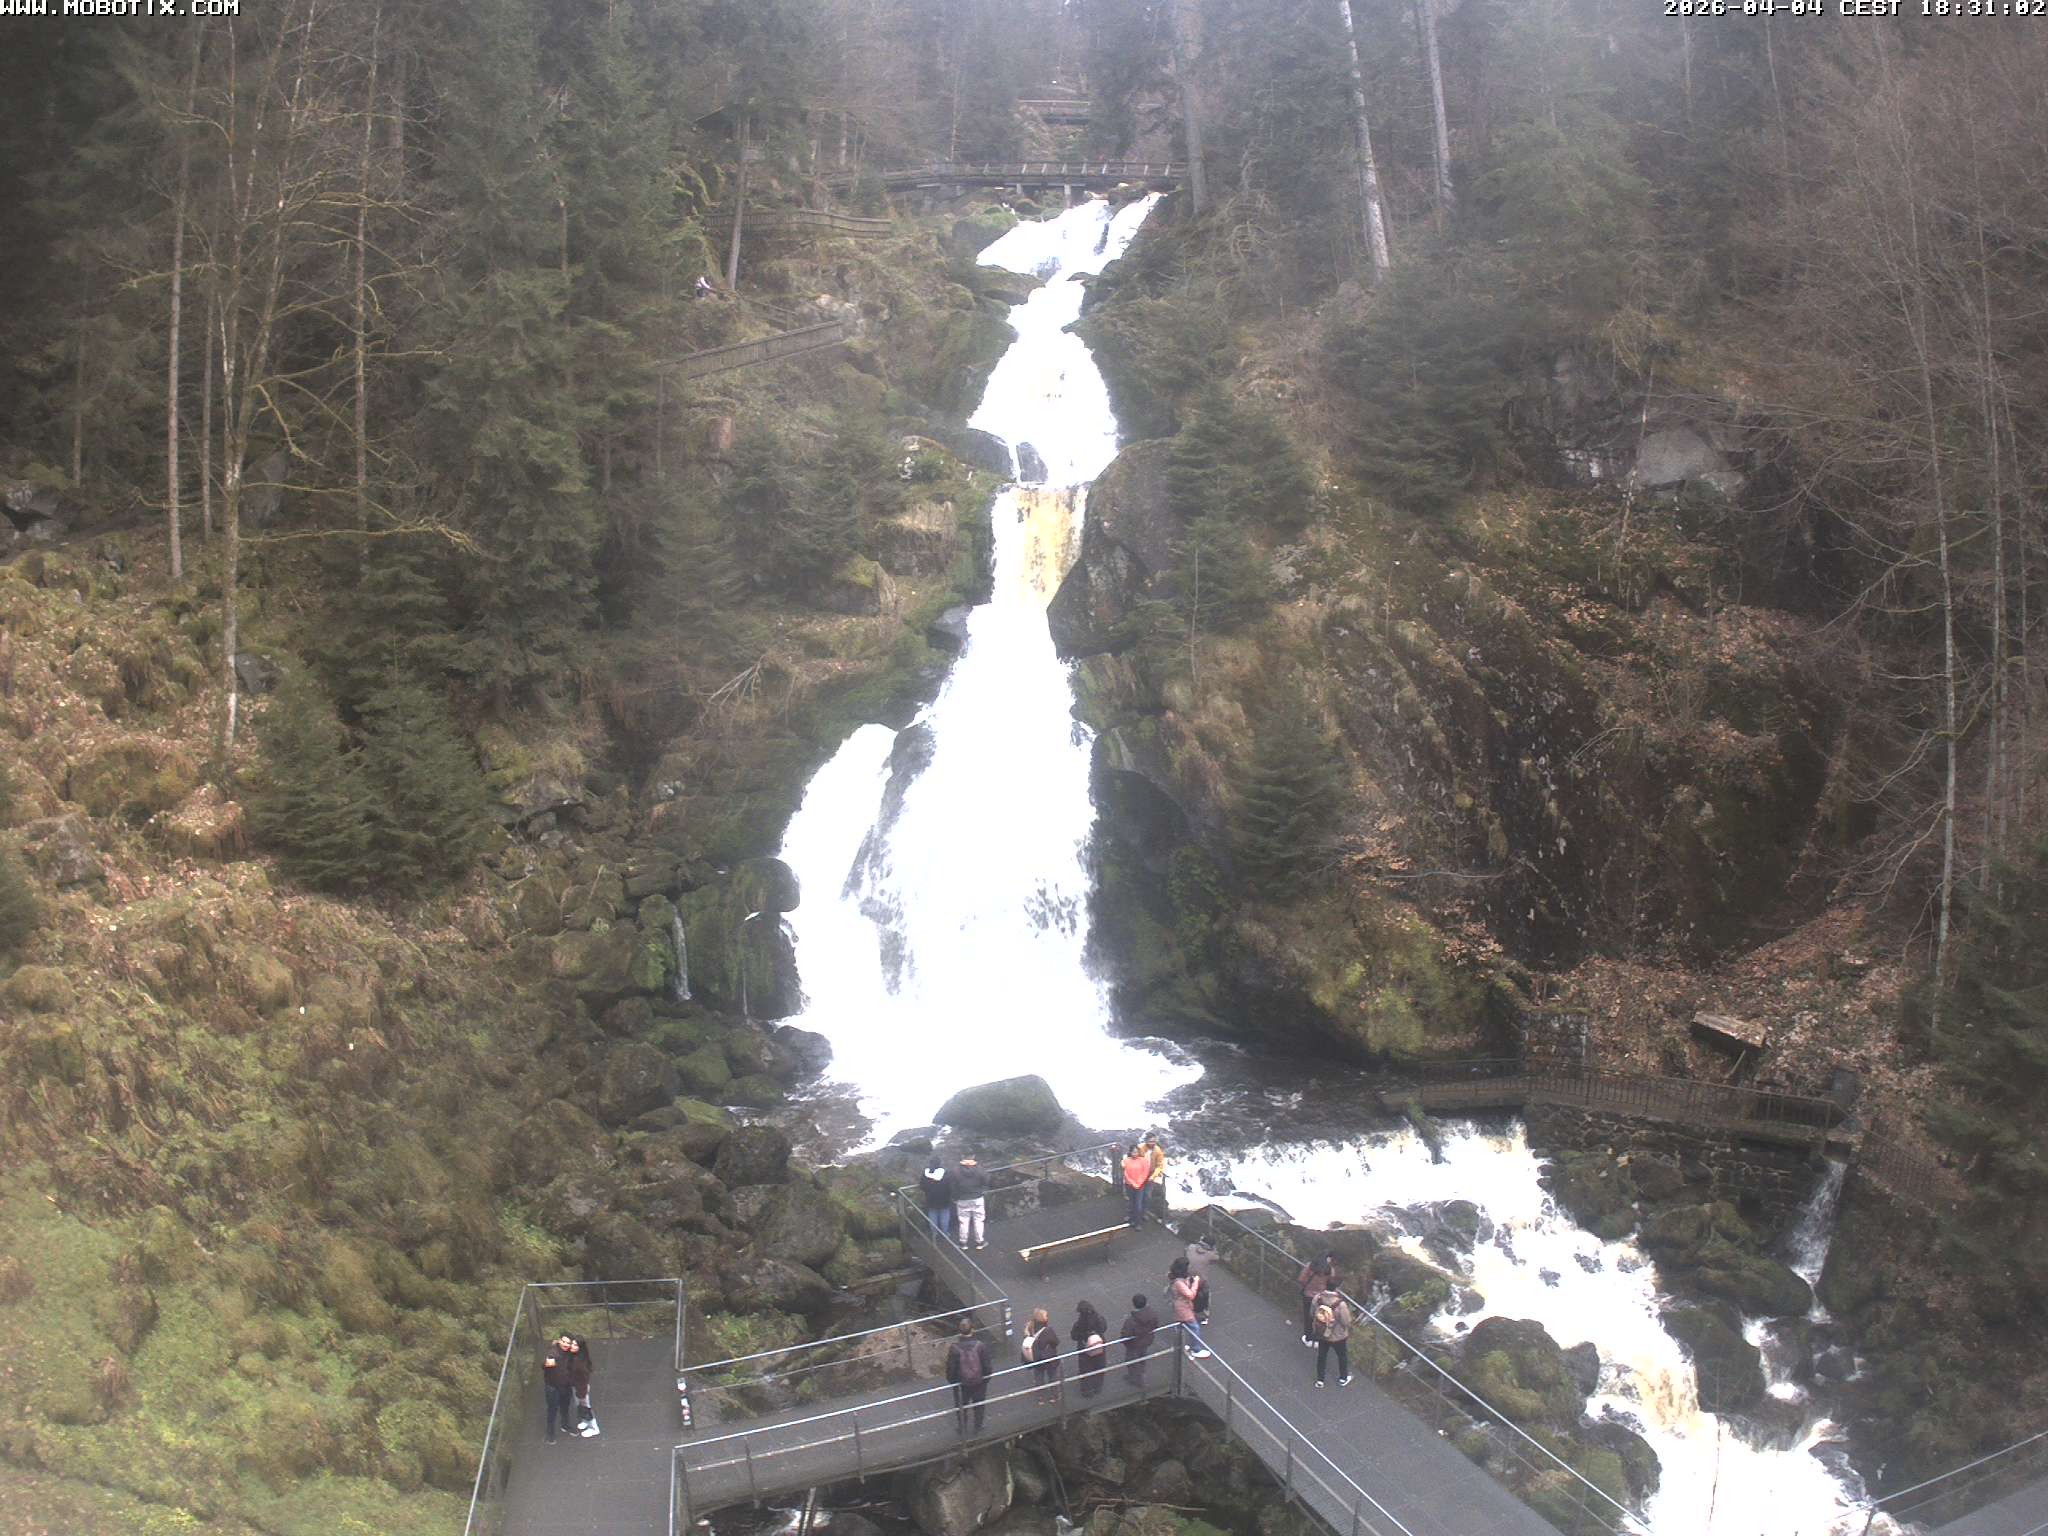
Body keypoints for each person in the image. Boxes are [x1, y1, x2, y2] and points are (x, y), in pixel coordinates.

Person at [944, 1316, 992, 1433]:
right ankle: (978, 1426)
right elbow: (987, 1366)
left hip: (961, 1384)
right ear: (972, 1330)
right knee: (979, 1405)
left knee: (961, 1406)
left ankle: (962, 1428)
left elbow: (951, 1368)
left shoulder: (954, 1348)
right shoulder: (980, 1345)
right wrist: (985, 1379)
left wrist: (953, 1382)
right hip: (979, 1382)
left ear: (959, 1332)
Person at [1311, 1283, 1353, 1388]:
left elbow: (1312, 1313)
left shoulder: (1318, 1298)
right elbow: (1346, 1321)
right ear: (1337, 1289)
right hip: (1337, 1336)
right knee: (1342, 1356)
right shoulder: (1340, 1304)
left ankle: (1320, 1380)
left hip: (1322, 1333)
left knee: (1322, 1356)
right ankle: (1343, 1378)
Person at [1169, 1256, 1210, 1359]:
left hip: (1180, 1306)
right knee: (1194, 1327)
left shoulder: (1178, 1278)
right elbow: (1190, 1295)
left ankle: (1179, 1345)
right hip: (1183, 1308)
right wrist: (1195, 1282)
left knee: (1179, 1326)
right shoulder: (1179, 1282)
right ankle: (1196, 1349)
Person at [542, 1335, 577, 1443]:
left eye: (568, 1343)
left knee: (565, 1407)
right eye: (564, 1342)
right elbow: (545, 1366)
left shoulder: (570, 1353)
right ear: (559, 1341)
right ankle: (550, 1433)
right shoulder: (553, 1353)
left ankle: (565, 1425)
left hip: (566, 1386)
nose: (566, 1344)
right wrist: (546, 1364)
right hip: (553, 1388)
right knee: (552, 1410)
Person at [1299, 1252, 1340, 1346]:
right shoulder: (1330, 1270)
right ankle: (1317, 1340)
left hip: (1308, 1295)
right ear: (1329, 1258)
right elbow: (1331, 1284)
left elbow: (1301, 1278)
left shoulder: (1311, 1265)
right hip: (1321, 1298)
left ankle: (1308, 1338)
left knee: (1308, 1317)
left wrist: (1307, 1285)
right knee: (1320, 1318)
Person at [1119, 1292, 1159, 1387]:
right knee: (1142, 1358)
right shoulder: (1153, 1314)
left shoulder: (1131, 1321)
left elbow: (1126, 1335)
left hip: (1134, 1344)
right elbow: (1155, 1325)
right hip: (1146, 1341)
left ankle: (1137, 1380)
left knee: (1132, 1361)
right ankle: (1141, 1377)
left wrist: (1124, 1340)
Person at [1072, 1301, 1109, 1399]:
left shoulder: (1079, 1324)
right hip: (1099, 1346)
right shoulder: (1099, 1319)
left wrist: (1084, 1336)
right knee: (1099, 1366)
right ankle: (1098, 1387)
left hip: (1085, 1348)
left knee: (1085, 1369)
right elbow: (1104, 1328)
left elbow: (1074, 1336)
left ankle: (1087, 1391)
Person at [1023, 1307, 1061, 1402]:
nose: (1048, 1317)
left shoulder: (1030, 1328)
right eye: (1046, 1315)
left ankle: (1040, 1398)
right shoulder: (1048, 1330)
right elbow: (1056, 1342)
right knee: (1052, 1376)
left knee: (1039, 1377)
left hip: (1036, 1358)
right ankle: (1054, 1396)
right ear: (1042, 1318)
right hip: (1048, 1358)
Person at [952, 1154, 989, 1251]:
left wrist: (955, 1198)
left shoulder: (956, 1171)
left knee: (963, 1221)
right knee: (979, 1220)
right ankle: (980, 1242)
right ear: (973, 1160)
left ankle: (963, 1243)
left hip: (962, 1199)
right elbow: (986, 1180)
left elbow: (953, 1186)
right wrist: (981, 1190)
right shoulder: (979, 1170)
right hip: (977, 1198)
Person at [920, 1160, 954, 1240]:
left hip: (931, 1199)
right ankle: (945, 1233)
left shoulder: (926, 1174)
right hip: (944, 1199)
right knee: (944, 1216)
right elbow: (950, 1186)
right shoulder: (945, 1173)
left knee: (932, 1216)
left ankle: (934, 1234)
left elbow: (922, 1186)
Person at [1121, 1144, 1152, 1229]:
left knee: (1138, 1204)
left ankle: (1138, 1223)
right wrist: (1132, 1183)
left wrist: (1138, 1183)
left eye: (1136, 1151)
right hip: (1129, 1185)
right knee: (1131, 1202)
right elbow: (1125, 1173)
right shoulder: (1126, 1161)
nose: (1135, 1153)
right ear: (1130, 1152)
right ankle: (1131, 1218)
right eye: (1133, 1152)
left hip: (1140, 1186)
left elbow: (1145, 1172)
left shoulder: (1143, 1161)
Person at [1142, 1133, 1168, 1215]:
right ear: (1146, 1141)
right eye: (1150, 1141)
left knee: (1147, 1194)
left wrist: (1153, 1176)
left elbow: (1160, 1166)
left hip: (1150, 1175)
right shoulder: (1140, 1148)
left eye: (1154, 1141)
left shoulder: (1158, 1151)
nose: (1152, 1143)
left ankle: (1144, 1212)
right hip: (1139, 1174)